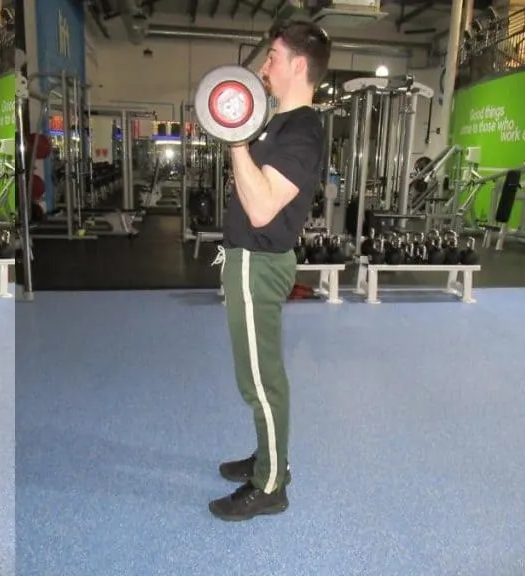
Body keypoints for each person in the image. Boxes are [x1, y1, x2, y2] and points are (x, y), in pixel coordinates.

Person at [207, 20, 331, 522]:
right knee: (256, 375)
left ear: (299, 66)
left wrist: (235, 140)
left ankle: (272, 485)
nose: (265, 65)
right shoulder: (280, 122)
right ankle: (267, 456)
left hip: (257, 263)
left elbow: (261, 208)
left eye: (274, 56)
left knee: (260, 380)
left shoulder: (301, 129)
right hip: (247, 261)